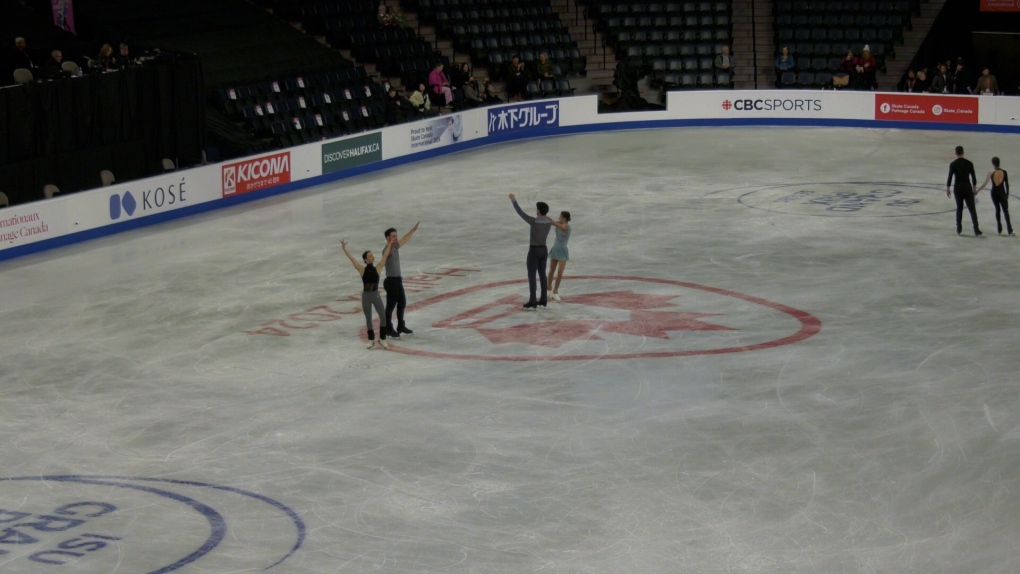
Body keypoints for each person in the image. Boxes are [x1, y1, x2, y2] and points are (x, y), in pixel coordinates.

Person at [341, 238, 393, 349]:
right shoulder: (362, 270)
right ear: (365, 260)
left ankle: (382, 338)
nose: (372, 257)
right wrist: (344, 248)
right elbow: (352, 259)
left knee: (383, 317)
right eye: (370, 256)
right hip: (366, 297)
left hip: (375, 295)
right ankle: (371, 339)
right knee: (368, 318)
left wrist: (390, 244)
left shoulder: (378, 268)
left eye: (372, 255)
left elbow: (385, 256)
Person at [508, 193, 553, 309]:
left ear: (538, 211)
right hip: (544, 250)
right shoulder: (549, 221)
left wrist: (513, 200)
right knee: (542, 274)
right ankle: (543, 299)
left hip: (534, 251)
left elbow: (520, 212)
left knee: (532, 275)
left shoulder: (534, 221)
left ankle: (533, 300)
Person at [382, 222, 420, 338]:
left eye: (396, 236)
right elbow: (386, 254)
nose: (396, 238)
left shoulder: (396, 247)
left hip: (398, 281)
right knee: (390, 306)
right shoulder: (386, 250)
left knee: (402, 303)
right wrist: (390, 244)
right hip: (391, 281)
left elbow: (404, 239)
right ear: (388, 238)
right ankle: (388, 328)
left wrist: (413, 230)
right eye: (393, 236)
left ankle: (400, 326)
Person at [946, 145, 981, 236]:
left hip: (958, 187)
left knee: (959, 208)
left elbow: (950, 177)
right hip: (967, 187)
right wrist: (974, 187)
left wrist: (948, 188)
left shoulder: (953, 164)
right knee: (972, 209)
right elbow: (973, 177)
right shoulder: (969, 163)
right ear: (963, 153)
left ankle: (959, 227)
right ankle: (976, 229)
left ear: (955, 153)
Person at [976, 157, 1012, 236]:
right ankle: (1010, 230)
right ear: (999, 162)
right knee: (1005, 211)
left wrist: (977, 191)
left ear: (993, 164)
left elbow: (985, 184)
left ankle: (999, 229)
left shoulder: (991, 172)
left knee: (997, 210)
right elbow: (1007, 184)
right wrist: (1007, 193)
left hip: (994, 193)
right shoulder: (1004, 172)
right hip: (1002, 193)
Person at [547, 211, 571, 303]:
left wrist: (552, 222)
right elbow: (553, 222)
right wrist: (544, 217)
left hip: (563, 251)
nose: (559, 217)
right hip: (555, 249)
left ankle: (555, 291)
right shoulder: (558, 224)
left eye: (560, 216)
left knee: (560, 272)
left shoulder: (567, 227)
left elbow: (560, 226)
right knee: (551, 270)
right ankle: (549, 288)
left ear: (564, 218)